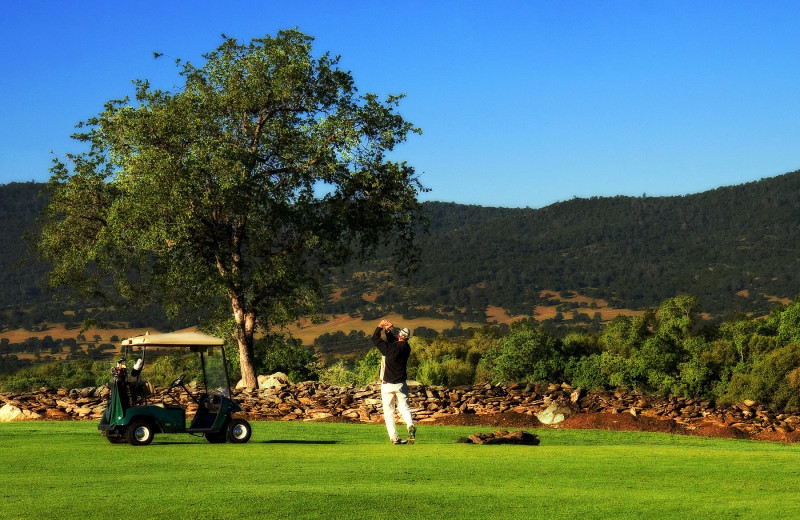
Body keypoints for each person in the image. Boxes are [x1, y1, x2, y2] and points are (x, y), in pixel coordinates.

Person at [372, 319, 416, 444]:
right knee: (404, 408)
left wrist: (381, 326)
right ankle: (410, 425)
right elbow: (396, 343)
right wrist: (388, 331)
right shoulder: (406, 348)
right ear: (407, 339)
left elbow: (375, 338)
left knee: (389, 412)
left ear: (399, 336)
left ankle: (394, 438)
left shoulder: (388, 349)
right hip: (401, 384)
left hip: (387, 385)